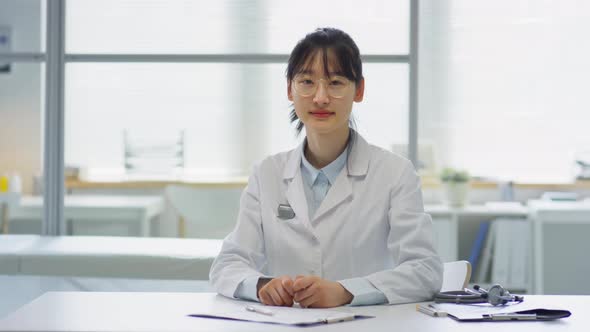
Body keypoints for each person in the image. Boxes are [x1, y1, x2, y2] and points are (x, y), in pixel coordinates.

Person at [210, 27, 442, 308]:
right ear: (289, 89)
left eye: (335, 82)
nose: (320, 97)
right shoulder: (267, 174)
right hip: (285, 324)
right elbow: (228, 264)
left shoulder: (395, 174)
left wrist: (346, 292)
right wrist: (262, 286)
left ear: (359, 90)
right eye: (307, 81)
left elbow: (425, 270)